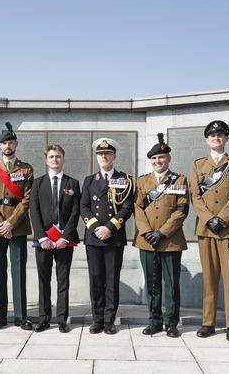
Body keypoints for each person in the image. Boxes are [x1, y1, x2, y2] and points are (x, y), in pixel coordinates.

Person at [189, 120, 229, 342]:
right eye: (212, 135)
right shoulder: (197, 165)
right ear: (207, 139)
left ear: (226, 138)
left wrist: (221, 219)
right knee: (209, 279)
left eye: (220, 135)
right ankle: (208, 322)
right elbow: (195, 195)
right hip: (206, 229)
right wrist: (209, 219)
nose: (216, 138)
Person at [133, 133, 190, 338]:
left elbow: (181, 210)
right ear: (151, 161)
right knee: (152, 283)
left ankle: (171, 323)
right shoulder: (142, 181)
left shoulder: (180, 180)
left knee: (172, 284)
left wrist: (162, 232)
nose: (158, 161)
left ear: (168, 159)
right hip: (146, 240)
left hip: (171, 241)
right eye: (154, 159)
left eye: (161, 157)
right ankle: (154, 321)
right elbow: (138, 208)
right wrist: (148, 232)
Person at [0, 122, 34, 330]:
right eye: (4, 143)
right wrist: (1, 224)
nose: (7, 146)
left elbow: (28, 199)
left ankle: (21, 316)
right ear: (0, 145)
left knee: (18, 270)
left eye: (10, 142)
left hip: (18, 225)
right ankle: (0, 315)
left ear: (16, 144)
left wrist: (11, 223)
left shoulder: (26, 169)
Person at [80, 138, 134, 334]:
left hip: (114, 237)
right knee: (96, 280)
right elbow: (84, 207)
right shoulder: (89, 181)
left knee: (111, 280)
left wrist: (109, 227)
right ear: (97, 157)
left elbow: (127, 208)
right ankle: (98, 319)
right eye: (100, 154)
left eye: (107, 153)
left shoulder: (124, 179)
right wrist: (96, 228)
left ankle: (110, 320)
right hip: (94, 238)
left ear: (114, 156)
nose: (104, 156)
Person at [29, 144, 81, 333]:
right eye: (51, 157)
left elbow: (75, 212)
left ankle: (61, 319)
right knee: (44, 279)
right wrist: (42, 238)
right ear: (46, 160)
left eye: (58, 157)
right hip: (44, 241)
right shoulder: (38, 182)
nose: (55, 160)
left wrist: (65, 237)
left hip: (64, 241)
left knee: (63, 280)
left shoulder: (72, 183)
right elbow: (33, 211)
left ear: (63, 160)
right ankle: (43, 318)